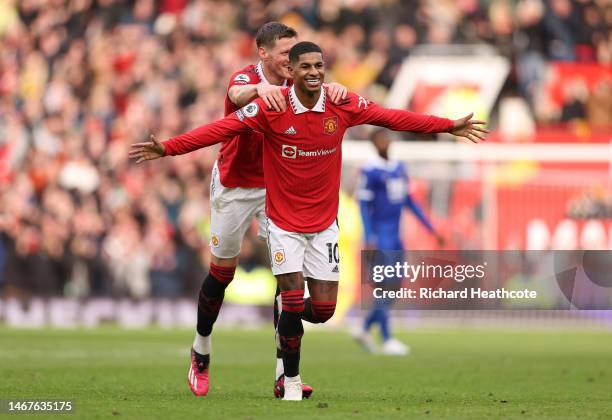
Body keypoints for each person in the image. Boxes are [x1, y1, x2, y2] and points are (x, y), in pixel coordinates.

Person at [129, 41, 488, 400]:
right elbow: (222, 126)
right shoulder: (269, 103)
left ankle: (286, 318)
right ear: (284, 66)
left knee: (322, 310)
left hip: (318, 221)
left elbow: (392, 116)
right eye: (304, 66)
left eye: (319, 65)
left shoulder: (340, 102)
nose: (312, 71)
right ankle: (271, 373)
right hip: (261, 204)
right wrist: (170, 147)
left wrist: (448, 125)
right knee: (241, 278)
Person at [176, 22, 347, 398]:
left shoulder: (301, 83)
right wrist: (260, 90)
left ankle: (284, 374)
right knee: (222, 273)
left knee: (290, 279)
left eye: (296, 51)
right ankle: (201, 347)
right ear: (264, 54)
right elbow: (236, 94)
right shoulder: (248, 78)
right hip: (235, 185)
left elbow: (330, 101)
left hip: (276, 187)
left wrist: (336, 89)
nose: (293, 58)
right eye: (286, 53)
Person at [354, 128, 445, 355]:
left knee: (393, 286)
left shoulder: (398, 169)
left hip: (396, 236)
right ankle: (385, 338)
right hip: (380, 236)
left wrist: (431, 229)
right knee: (386, 285)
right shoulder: (370, 170)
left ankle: (364, 328)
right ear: (374, 143)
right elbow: (364, 206)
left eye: (387, 138)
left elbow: (409, 202)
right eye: (381, 139)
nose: (385, 142)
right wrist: (369, 236)